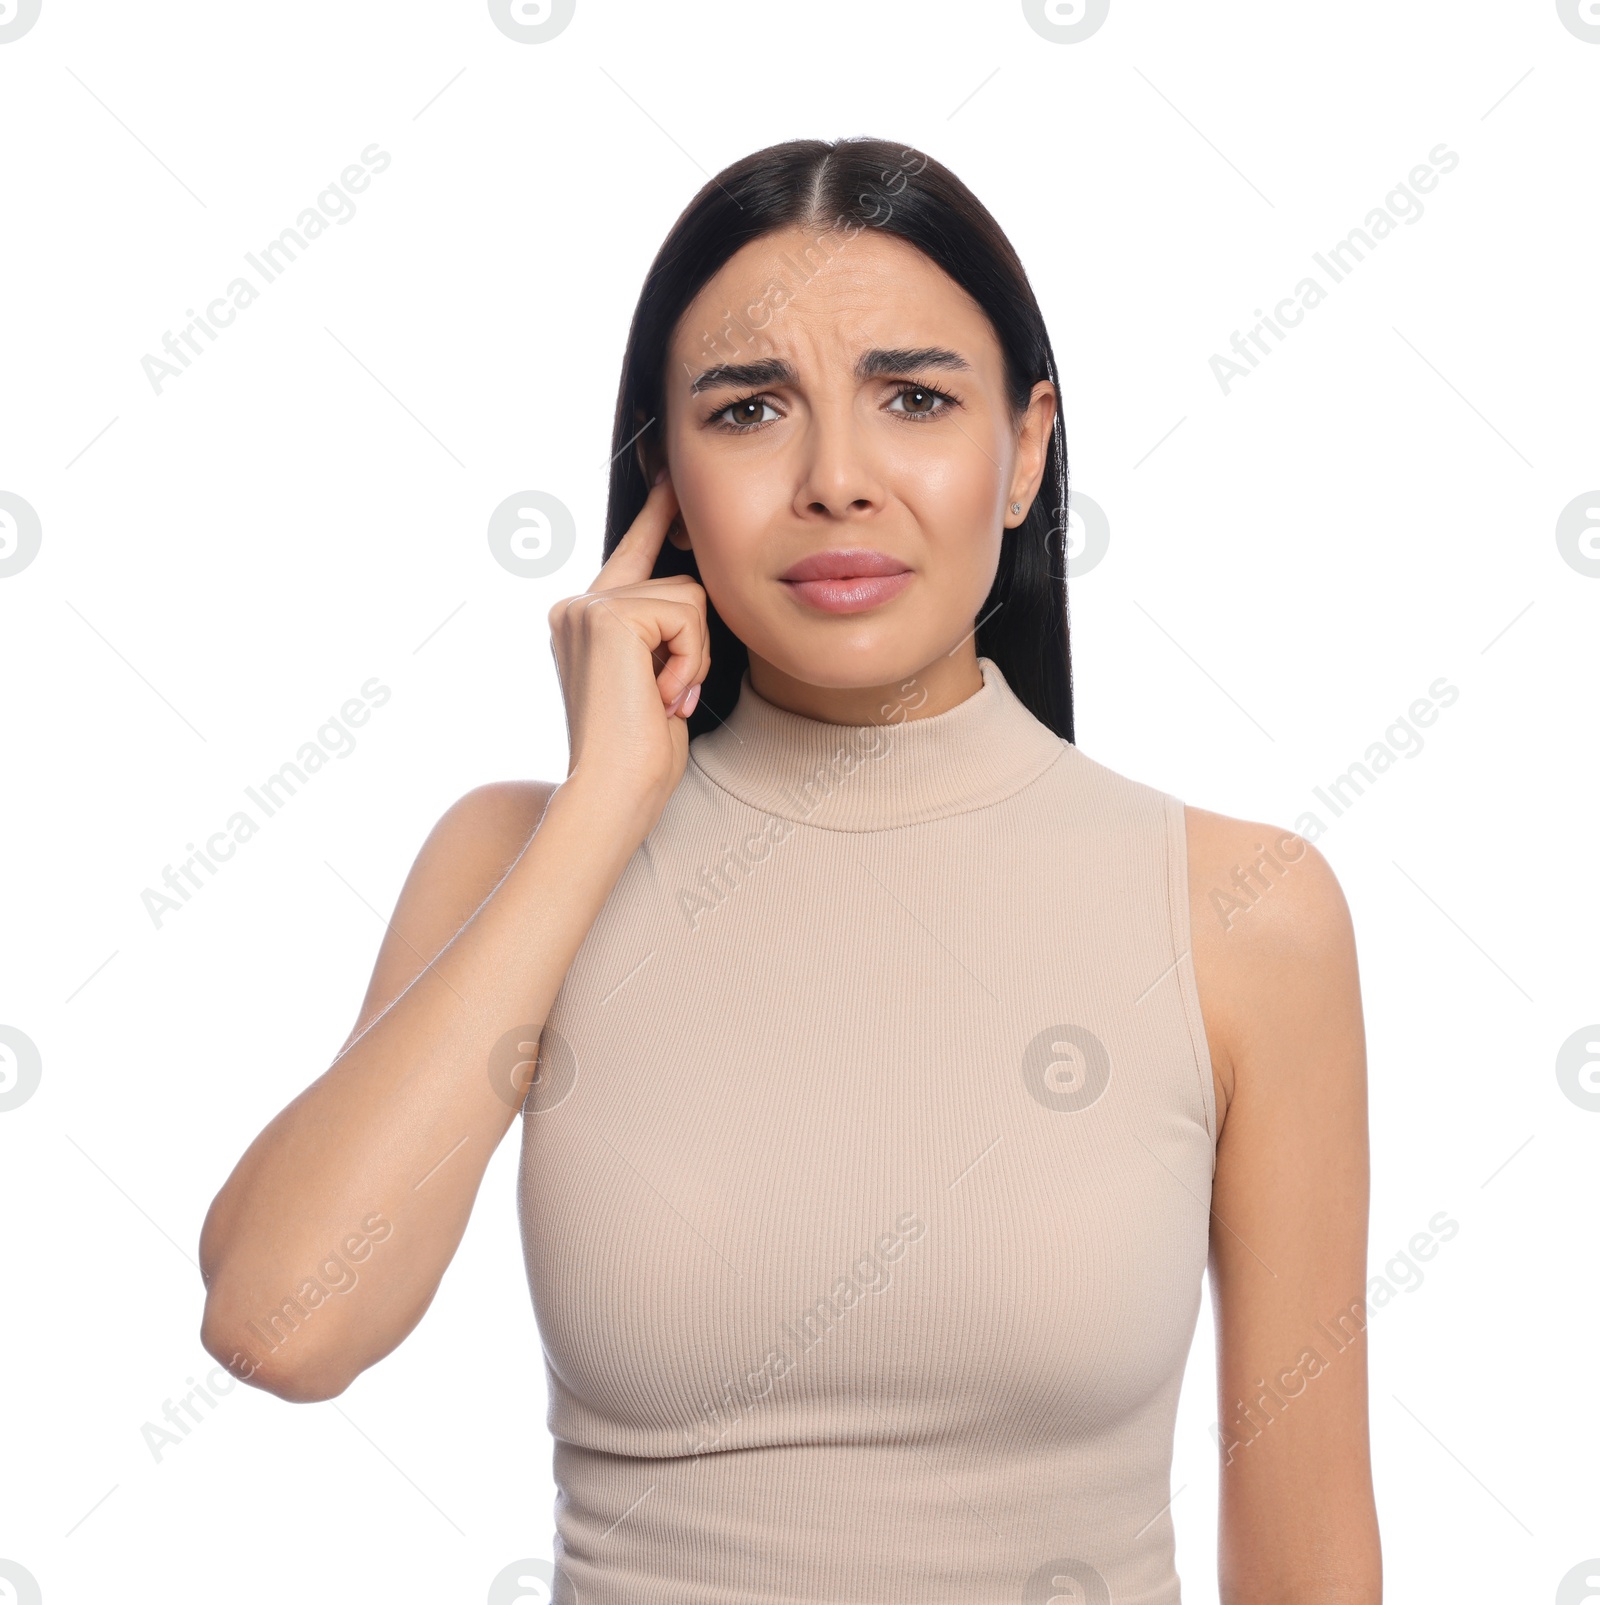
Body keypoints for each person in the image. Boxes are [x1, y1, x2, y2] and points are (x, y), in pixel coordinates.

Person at [199, 136, 1380, 1603]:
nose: (835, 479)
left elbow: (1313, 1558)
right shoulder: (516, 857)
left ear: (1024, 449)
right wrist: (604, 806)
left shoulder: (1240, 912)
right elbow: (278, 1325)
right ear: (669, 487)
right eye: (752, 409)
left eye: (915, 399)